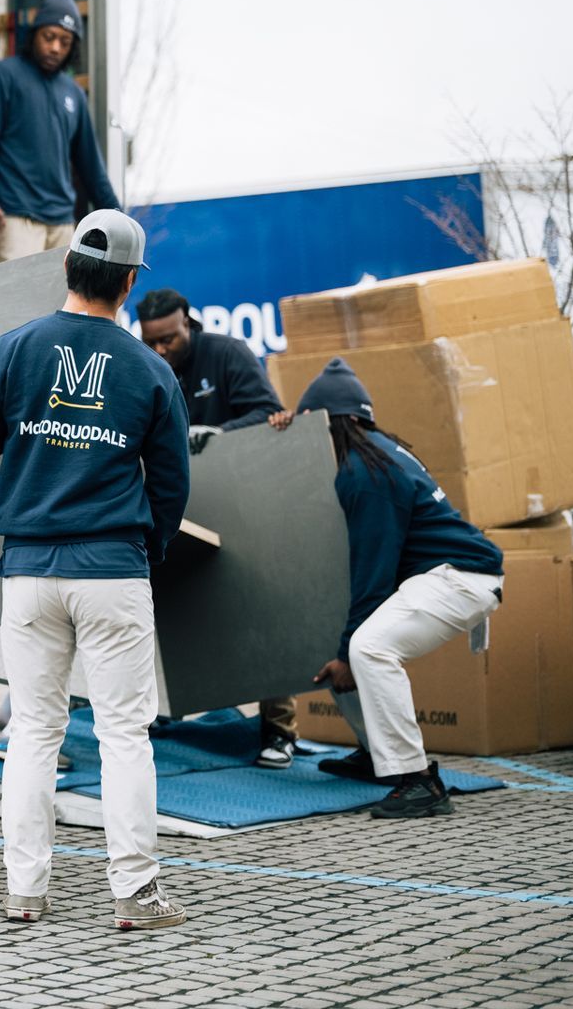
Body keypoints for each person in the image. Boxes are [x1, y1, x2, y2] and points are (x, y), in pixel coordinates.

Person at [0, 209, 191, 930]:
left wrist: (27, 426)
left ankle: (26, 892)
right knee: (123, 735)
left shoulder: (16, 348)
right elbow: (173, 484)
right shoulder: (149, 368)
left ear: (66, 267)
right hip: (113, 568)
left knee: (32, 734)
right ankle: (134, 895)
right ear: (127, 284)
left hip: (29, 571)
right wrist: (149, 557)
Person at [303, 358, 505, 819]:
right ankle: (377, 753)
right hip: (449, 574)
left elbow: (373, 573)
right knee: (345, 648)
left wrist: (347, 647)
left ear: (334, 423)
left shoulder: (364, 472)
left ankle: (418, 781)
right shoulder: (376, 450)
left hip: (462, 577)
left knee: (367, 648)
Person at [135, 286, 299, 769]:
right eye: (152, 342)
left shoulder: (228, 354)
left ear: (190, 323)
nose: (161, 349)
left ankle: (279, 730)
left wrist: (220, 434)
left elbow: (270, 416)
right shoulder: (145, 363)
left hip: (242, 503)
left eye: (169, 339)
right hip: (177, 507)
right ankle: (159, 708)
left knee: (261, 605)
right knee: (160, 608)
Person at [0, 0, 118, 260]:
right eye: (49, 37)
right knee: (18, 301)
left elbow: (91, 166)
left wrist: (118, 219)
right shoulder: (3, 76)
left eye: (65, 41)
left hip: (62, 223)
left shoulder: (74, 93)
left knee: (60, 302)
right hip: (16, 218)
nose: (56, 48)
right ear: (34, 34)